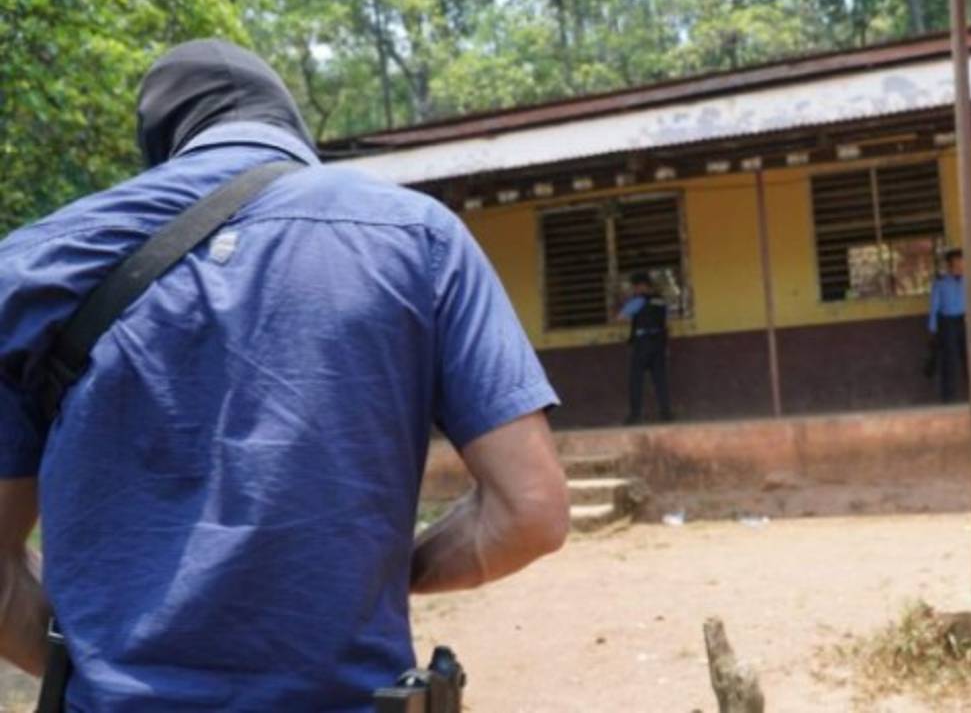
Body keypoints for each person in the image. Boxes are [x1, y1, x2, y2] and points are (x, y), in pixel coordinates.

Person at [0, 39, 569, 711]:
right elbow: (529, 512)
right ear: (291, 128)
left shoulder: (35, 263)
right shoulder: (420, 237)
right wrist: (386, 576)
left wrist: (94, 668)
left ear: (164, 146)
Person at [618, 272, 673, 424]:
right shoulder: (661, 301)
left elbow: (621, 317)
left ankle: (635, 415)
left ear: (641, 286)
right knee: (660, 379)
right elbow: (666, 324)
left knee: (636, 380)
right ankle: (665, 412)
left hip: (642, 343)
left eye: (635, 287)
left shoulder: (638, 301)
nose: (634, 290)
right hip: (659, 343)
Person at [928, 248, 967, 403]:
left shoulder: (968, 281)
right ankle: (949, 397)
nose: (961, 267)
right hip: (948, 323)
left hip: (965, 321)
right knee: (950, 361)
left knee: (970, 358)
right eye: (957, 264)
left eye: (962, 263)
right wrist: (932, 330)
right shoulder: (941, 283)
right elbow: (934, 307)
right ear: (950, 266)